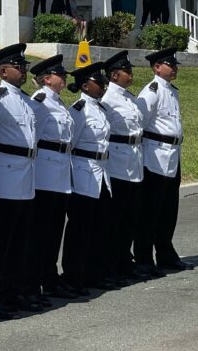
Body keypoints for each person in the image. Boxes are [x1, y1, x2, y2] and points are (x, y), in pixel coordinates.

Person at [0, 43, 39, 319]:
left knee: (20, 243)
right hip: (3, 179)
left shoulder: (25, 101)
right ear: (3, 71)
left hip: (25, 178)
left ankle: (14, 293)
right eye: (19, 66)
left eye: (24, 65)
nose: (24, 69)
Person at [134, 48, 192, 277]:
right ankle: (144, 258)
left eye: (175, 64)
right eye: (170, 64)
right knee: (150, 211)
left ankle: (166, 254)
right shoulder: (151, 91)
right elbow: (140, 122)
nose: (175, 68)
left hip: (172, 155)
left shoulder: (172, 91)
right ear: (157, 67)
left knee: (169, 210)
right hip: (155, 156)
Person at [24, 55, 77, 300]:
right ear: (47, 78)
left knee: (54, 231)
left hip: (60, 174)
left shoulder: (57, 102)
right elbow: (32, 140)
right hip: (44, 176)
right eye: (60, 74)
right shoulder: (40, 102)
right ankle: (34, 281)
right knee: (40, 233)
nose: (64, 77)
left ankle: (50, 278)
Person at [60, 62, 112, 295]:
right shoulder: (78, 110)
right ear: (84, 85)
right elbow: (70, 145)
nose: (103, 86)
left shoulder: (100, 109)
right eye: (98, 82)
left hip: (101, 171)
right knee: (80, 229)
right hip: (83, 172)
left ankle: (94, 272)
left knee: (98, 226)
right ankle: (73, 275)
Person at [100, 51, 149, 282]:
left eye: (130, 70)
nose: (130, 74)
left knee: (131, 217)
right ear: (113, 74)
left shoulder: (129, 97)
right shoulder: (107, 100)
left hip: (135, 161)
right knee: (115, 219)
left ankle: (124, 260)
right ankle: (110, 263)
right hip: (117, 164)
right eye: (126, 71)